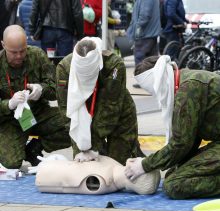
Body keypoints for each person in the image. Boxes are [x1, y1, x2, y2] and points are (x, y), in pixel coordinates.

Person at [124, 55, 220, 199]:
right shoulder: (184, 79)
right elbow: (190, 139)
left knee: (174, 185)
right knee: (173, 173)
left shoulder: (188, 90)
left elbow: (181, 143)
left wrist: (144, 165)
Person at [56, 36, 145, 165]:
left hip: (118, 113)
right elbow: (66, 110)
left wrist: (94, 146)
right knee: (86, 168)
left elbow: (110, 109)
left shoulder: (114, 65)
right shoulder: (64, 68)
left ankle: (133, 151)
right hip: (81, 119)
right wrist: (82, 146)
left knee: (117, 167)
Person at [0, 25, 71, 169]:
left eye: (22, 50)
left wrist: (42, 89)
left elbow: (55, 90)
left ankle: (34, 148)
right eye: (14, 52)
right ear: (3, 45)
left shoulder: (37, 56)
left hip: (39, 113)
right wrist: (8, 104)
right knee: (11, 164)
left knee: (75, 125)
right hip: (11, 120)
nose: (19, 56)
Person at [35, 155, 160, 195]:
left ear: (131, 163)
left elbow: (69, 181)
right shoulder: (112, 167)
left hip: (46, 174)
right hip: (50, 170)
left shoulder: (103, 179)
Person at [126, 0, 161, 88]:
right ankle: (152, 82)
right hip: (150, 33)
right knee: (151, 59)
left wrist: (137, 29)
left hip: (145, 34)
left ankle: (143, 82)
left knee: (140, 58)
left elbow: (145, 15)